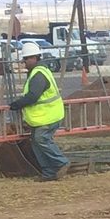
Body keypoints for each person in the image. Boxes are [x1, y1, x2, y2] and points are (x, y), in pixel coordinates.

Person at [9, 39, 68, 181]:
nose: (24, 63)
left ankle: (61, 162)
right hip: (43, 116)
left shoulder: (38, 75)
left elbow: (33, 96)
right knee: (36, 142)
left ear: (34, 58)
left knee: (41, 139)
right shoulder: (39, 72)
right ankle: (48, 173)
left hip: (49, 116)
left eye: (26, 59)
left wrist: (17, 104)